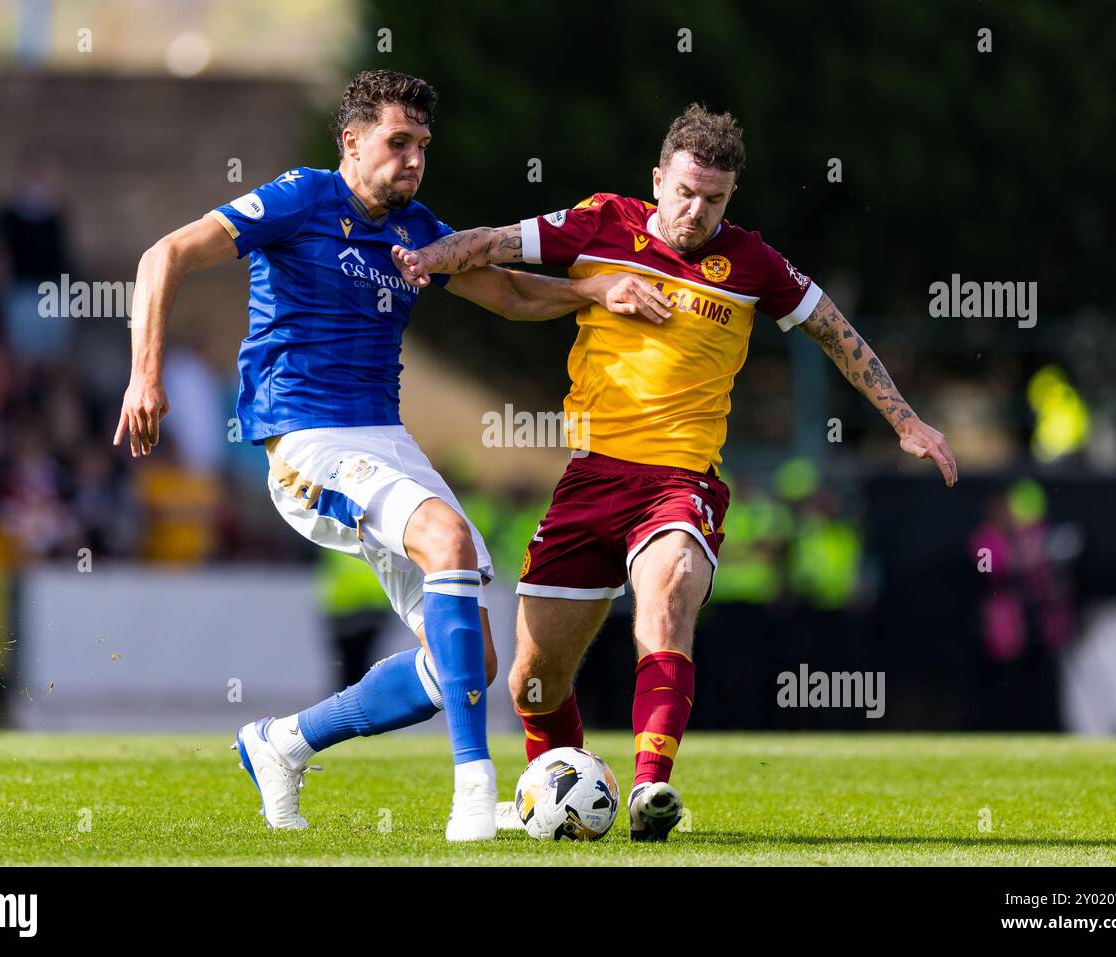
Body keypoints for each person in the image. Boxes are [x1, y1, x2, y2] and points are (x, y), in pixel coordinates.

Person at [114, 70, 660, 840]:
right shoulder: (301, 198)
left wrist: (596, 291)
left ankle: (283, 743)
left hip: (384, 440)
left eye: (422, 146)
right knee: (449, 539)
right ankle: (476, 794)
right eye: (397, 142)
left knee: (463, 659)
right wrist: (146, 375)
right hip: (306, 438)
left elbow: (507, 292)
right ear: (352, 141)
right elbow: (163, 254)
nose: (412, 160)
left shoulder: (416, 231)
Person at [393, 103, 958, 841]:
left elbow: (833, 328)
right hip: (591, 479)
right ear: (658, 179)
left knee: (669, 596)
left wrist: (905, 420)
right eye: (685, 191)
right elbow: (495, 244)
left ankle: (651, 788)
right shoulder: (600, 224)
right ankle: (556, 794)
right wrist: (424, 259)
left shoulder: (751, 262)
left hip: (679, 481)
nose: (696, 211)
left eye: (715, 199)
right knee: (533, 683)